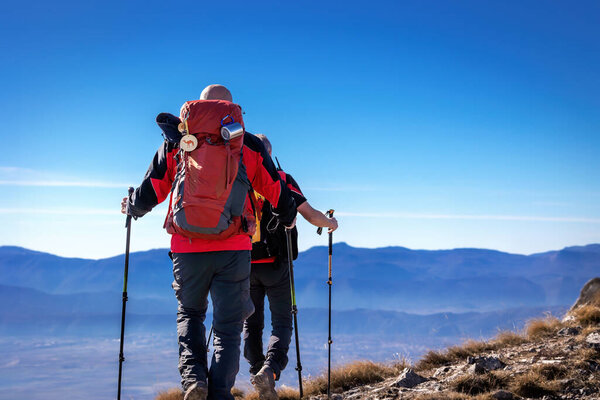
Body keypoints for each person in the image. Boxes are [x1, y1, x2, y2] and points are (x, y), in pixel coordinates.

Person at [120, 85, 297, 400]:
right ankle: (218, 393)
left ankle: (193, 382)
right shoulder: (248, 144)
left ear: (198, 107)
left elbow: (153, 188)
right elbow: (275, 189)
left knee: (190, 314)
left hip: (187, 247)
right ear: (232, 108)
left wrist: (133, 205)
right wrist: (288, 217)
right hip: (233, 248)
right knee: (228, 328)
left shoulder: (178, 140)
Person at [243, 134, 338, 400]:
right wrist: (331, 224)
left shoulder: (238, 177)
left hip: (244, 263)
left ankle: (256, 371)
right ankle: (269, 371)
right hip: (277, 264)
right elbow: (310, 215)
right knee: (282, 322)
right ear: (269, 155)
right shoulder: (281, 179)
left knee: (251, 323)